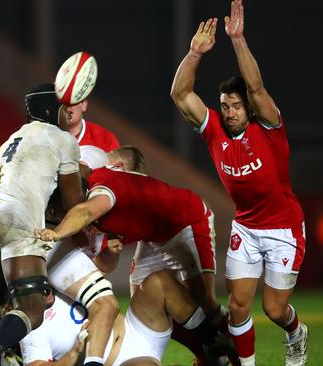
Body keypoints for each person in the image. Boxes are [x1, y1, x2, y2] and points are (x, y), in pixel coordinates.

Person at [169, 1, 308, 365]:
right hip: (245, 229)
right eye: (224, 105)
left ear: (248, 107)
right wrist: (194, 54)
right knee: (237, 307)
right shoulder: (214, 131)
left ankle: (296, 332)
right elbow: (180, 95)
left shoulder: (269, 129)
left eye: (235, 105)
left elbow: (257, 86)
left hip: (283, 228)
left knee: (275, 310)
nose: (229, 111)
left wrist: (238, 39)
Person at [0, 84, 119, 366]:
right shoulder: (62, 139)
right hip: (19, 224)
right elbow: (73, 204)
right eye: (61, 108)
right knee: (32, 309)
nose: (65, 114)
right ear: (50, 110)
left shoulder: (12, 137)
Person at [37, 146, 226, 342]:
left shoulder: (103, 185)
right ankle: (209, 352)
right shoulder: (93, 202)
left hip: (188, 221)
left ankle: (237, 347)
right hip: (151, 237)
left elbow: (85, 212)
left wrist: (56, 233)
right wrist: (107, 251)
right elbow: (105, 266)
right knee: (143, 311)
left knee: (207, 302)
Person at [19, 270, 226, 366]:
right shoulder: (31, 325)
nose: (44, 288)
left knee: (159, 282)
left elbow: (102, 267)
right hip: (119, 360)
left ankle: (216, 347)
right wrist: (75, 352)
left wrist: (110, 249)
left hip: (135, 328)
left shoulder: (60, 278)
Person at [65, 99, 119, 170]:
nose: (67, 108)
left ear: (84, 105)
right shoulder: (46, 135)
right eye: (62, 102)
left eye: (72, 101)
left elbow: (119, 177)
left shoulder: (106, 139)